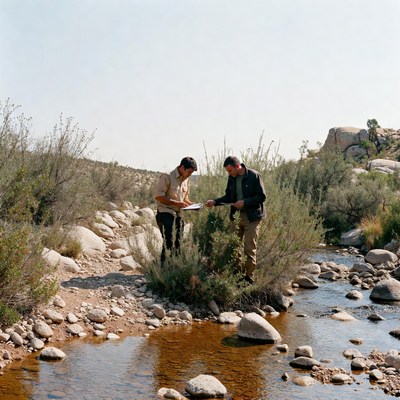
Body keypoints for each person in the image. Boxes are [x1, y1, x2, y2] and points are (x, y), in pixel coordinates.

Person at [205, 156, 266, 283]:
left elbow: (261, 196)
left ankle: (248, 279)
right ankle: (237, 277)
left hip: (252, 217)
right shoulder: (231, 178)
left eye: (230, 170)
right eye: (227, 171)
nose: (229, 173)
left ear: (238, 167)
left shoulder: (254, 176)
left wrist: (244, 202)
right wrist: (215, 202)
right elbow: (228, 197)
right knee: (234, 247)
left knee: (249, 249)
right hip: (236, 217)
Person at [154, 156, 198, 263]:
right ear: (182, 167)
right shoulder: (167, 177)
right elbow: (159, 196)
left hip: (178, 214)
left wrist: (192, 205)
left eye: (192, 173)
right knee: (169, 241)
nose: (190, 175)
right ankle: (164, 269)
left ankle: (175, 267)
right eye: (189, 172)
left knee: (179, 242)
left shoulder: (186, 180)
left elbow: (185, 198)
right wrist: (177, 203)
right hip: (165, 212)